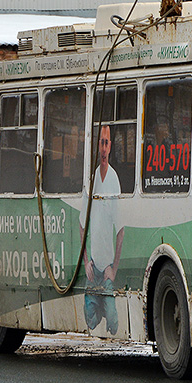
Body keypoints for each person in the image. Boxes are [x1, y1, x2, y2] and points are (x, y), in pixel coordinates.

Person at [81, 124, 124, 334]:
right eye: (101, 142)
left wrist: (114, 269)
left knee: (114, 324)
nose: (104, 148)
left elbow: (121, 231)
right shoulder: (92, 180)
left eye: (107, 143)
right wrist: (86, 261)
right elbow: (82, 226)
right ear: (97, 146)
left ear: (110, 147)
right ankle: (97, 309)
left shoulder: (114, 180)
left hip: (106, 271)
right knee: (89, 320)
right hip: (93, 270)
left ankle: (107, 309)